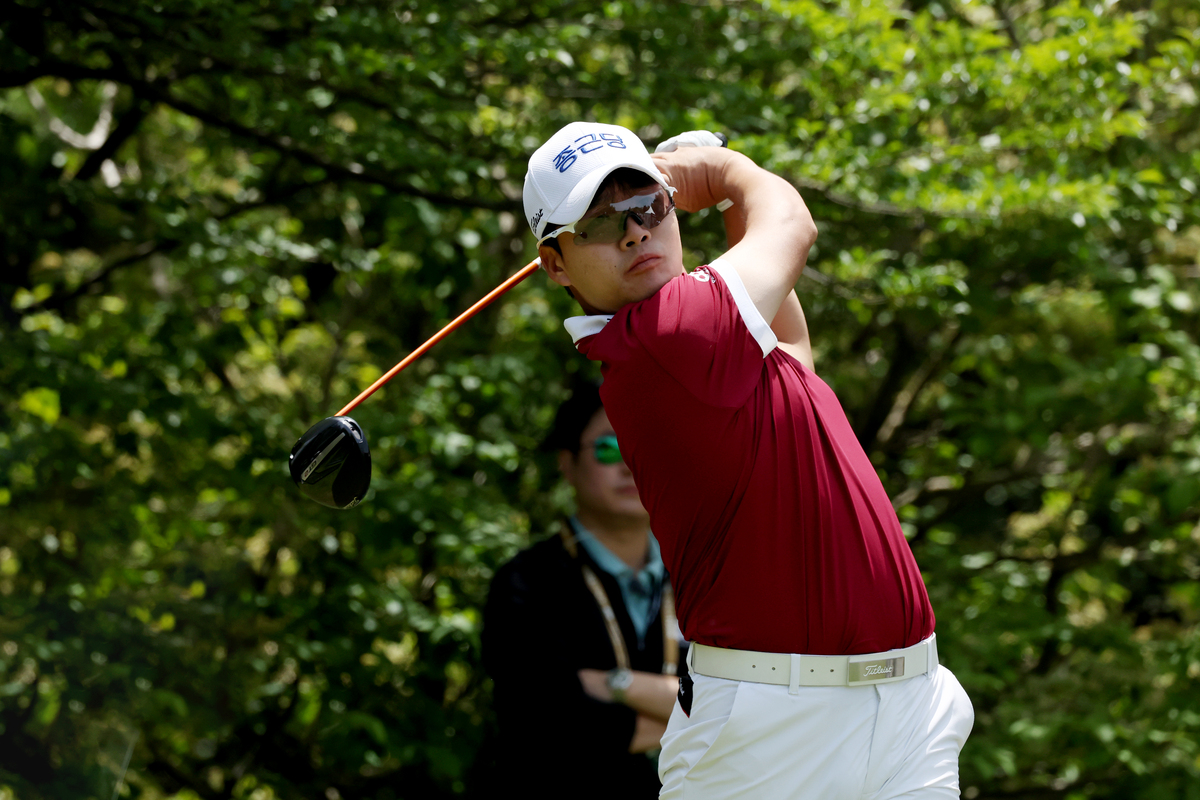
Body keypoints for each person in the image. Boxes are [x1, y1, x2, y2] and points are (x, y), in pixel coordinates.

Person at [521, 121, 974, 798]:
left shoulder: (710, 337)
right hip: (768, 734)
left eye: (648, 207)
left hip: (909, 704)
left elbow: (786, 326)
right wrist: (724, 173)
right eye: (597, 224)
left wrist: (722, 196)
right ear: (555, 262)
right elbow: (790, 224)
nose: (635, 233)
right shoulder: (663, 338)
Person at [483, 381, 686, 799]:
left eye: (643, 444)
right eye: (609, 448)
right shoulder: (526, 582)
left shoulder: (702, 577)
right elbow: (546, 725)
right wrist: (694, 718)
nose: (629, 463)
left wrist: (614, 684)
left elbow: (751, 705)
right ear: (567, 463)